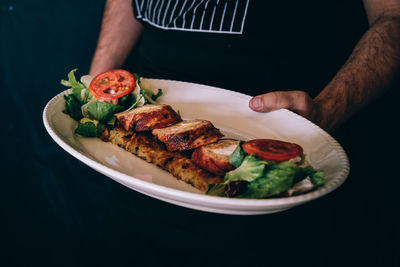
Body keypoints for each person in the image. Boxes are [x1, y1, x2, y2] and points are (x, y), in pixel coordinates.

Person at [89, 0, 400, 132]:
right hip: (136, 136)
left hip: (265, 145)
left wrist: (327, 109)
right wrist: (95, 91)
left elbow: (392, 17)